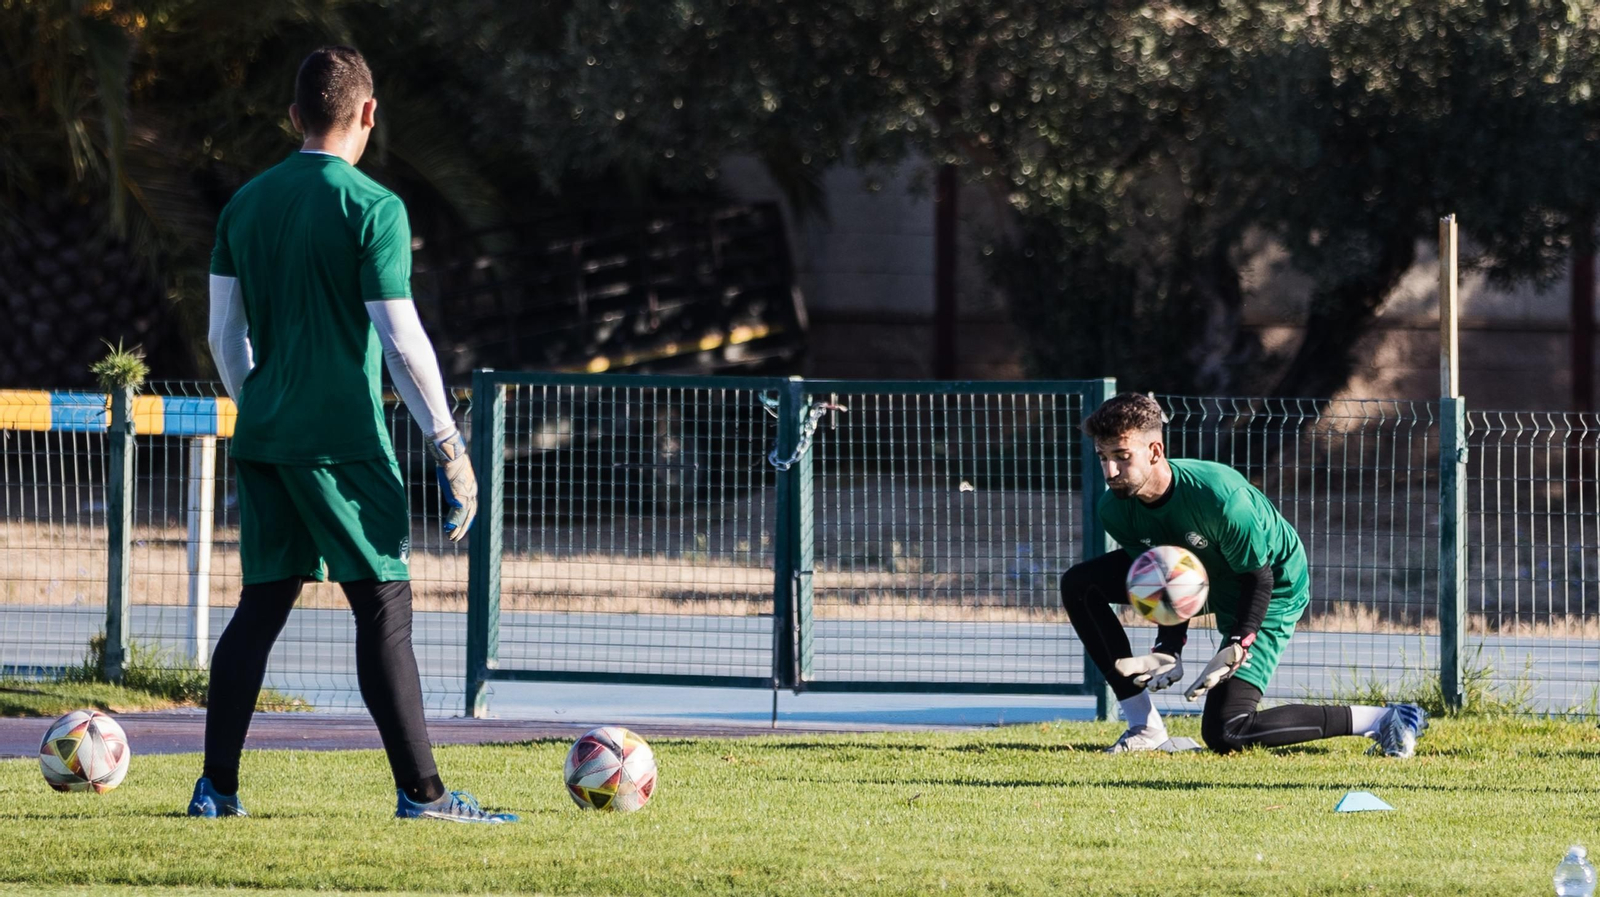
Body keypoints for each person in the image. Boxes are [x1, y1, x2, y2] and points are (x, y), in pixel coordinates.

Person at [192, 46, 514, 823]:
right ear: (368, 113)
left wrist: (263, 401)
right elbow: (401, 341)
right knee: (383, 605)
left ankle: (216, 790)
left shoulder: (245, 204)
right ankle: (424, 794)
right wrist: (449, 442)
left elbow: (220, 335)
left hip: (264, 435)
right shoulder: (374, 207)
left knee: (261, 605)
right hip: (343, 442)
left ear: (296, 116)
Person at [1061, 393, 1428, 757]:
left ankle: (1387, 718)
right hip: (1205, 575)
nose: (1109, 472)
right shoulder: (1115, 508)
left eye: (1122, 457)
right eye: (1103, 457)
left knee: (1227, 732)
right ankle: (1145, 728)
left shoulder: (1220, 497)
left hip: (1271, 588)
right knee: (1079, 585)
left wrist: (1239, 642)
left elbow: (1259, 578)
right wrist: (1168, 648)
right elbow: (1167, 577)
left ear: (1155, 451)